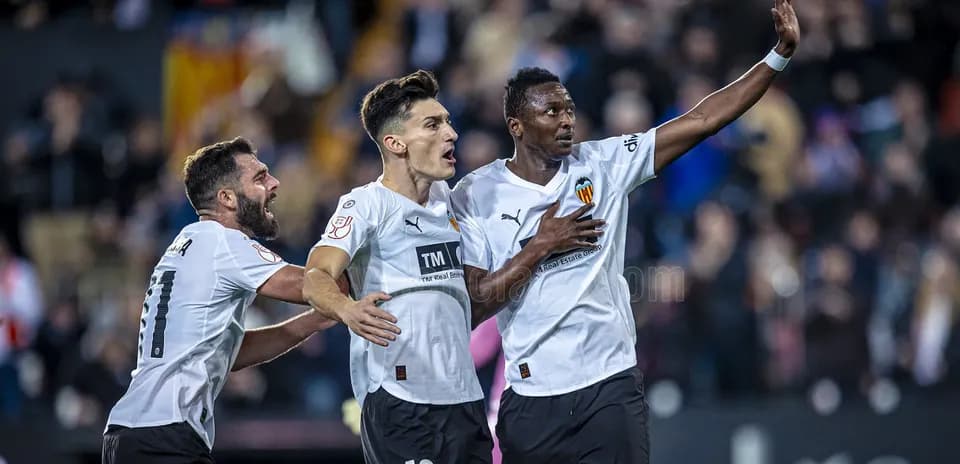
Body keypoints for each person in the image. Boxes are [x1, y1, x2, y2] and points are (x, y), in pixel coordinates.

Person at [449, 1, 801, 462]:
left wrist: (777, 56)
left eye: (569, 109)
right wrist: (540, 246)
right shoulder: (477, 194)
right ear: (516, 126)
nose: (566, 120)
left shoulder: (604, 164)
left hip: (609, 391)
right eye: (550, 112)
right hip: (532, 398)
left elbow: (702, 120)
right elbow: (474, 307)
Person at [102, 137, 337, 464]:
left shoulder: (187, 241)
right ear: (226, 198)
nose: (274, 183)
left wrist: (312, 321)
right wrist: (370, 267)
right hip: (165, 437)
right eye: (259, 177)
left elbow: (232, 353)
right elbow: (307, 284)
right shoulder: (223, 242)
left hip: (131, 434)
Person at [302, 70, 493, 464]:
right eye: (433, 124)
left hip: (464, 400)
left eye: (448, 122)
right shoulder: (366, 204)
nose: (451, 133)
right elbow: (316, 275)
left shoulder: (454, 203)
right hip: (401, 399)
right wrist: (346, 308)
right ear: (395, 142)